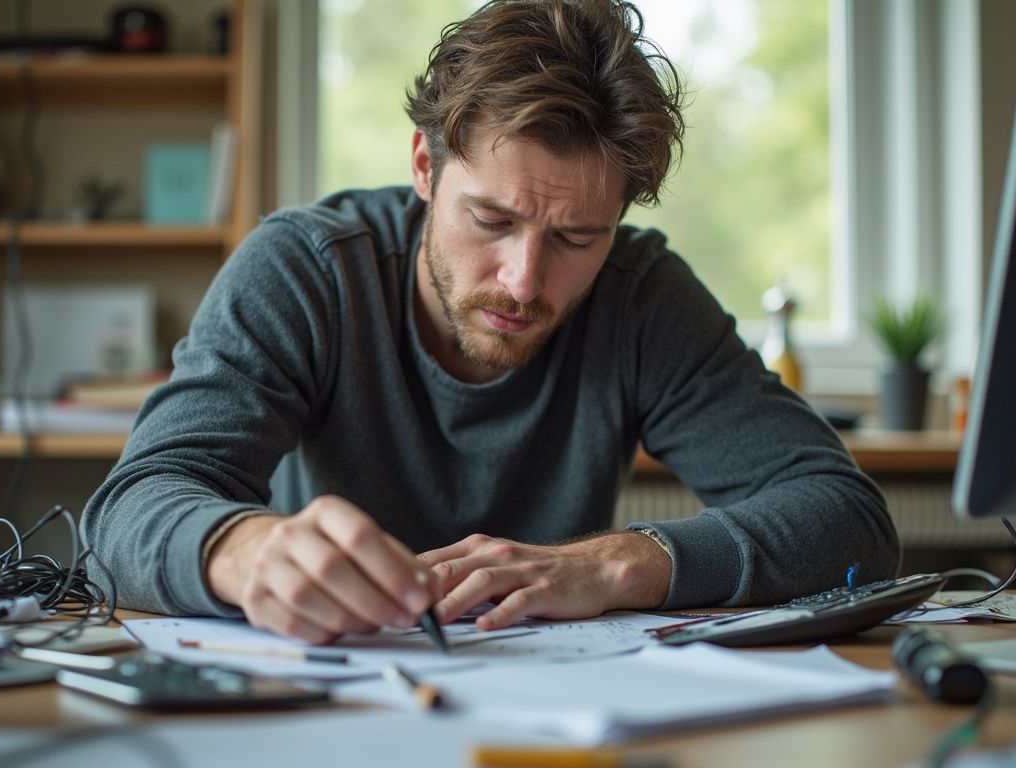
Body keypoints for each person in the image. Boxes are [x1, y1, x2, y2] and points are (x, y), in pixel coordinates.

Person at [83, 0, 899, 645]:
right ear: (423, 168)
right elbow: (128, 511)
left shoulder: (640, 297)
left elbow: (846, 517)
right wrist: (243, 549)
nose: (524, 279)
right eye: (492, 219)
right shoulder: (306, 271)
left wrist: (626, 561)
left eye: (577, 237)